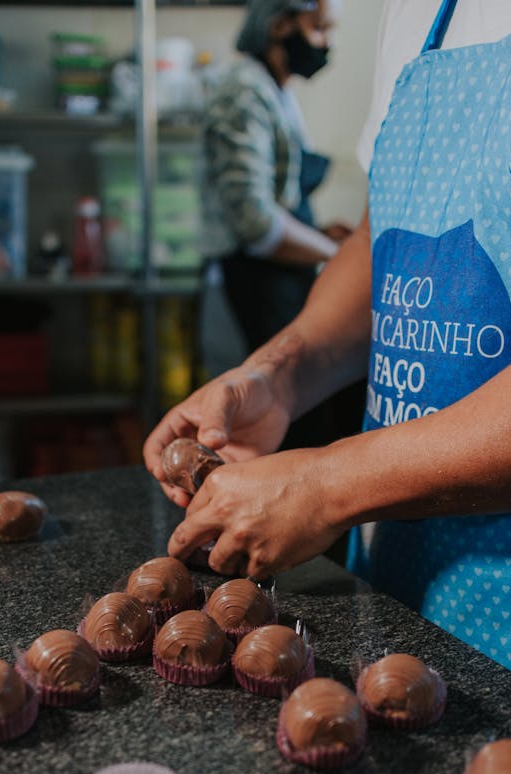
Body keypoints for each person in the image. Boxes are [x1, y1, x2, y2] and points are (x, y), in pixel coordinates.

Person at [145, 0, 511, 716]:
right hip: (401, 597)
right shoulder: (414, 13)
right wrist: (279, 374)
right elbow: (386, 232)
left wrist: (329, 484)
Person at [201, 0, 363, 448]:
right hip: (250, 283)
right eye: (320, 30)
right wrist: (339, 255)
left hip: (280, 279)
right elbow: (254, 221)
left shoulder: (278, 91)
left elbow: (280, 196)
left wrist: (322, 232)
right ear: (281, 25)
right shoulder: (242, 91)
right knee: (273, 426)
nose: (327, 45)